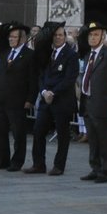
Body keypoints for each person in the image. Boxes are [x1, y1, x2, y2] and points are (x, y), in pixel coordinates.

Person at [26, 26, 78, 175]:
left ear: (65, 36)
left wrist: (53, 92)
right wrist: (43, 91)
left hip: (61, 99)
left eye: (61, 35)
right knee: (38, 130)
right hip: (45, 99)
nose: (58, 38)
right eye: (55, 35)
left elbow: (69, 78)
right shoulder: (47, 53)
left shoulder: (71, 55)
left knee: (62, 134)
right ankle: (38, 164)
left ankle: (59, 165)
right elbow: (41, 75)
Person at [79, 24, 107, 183]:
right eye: (90, 35)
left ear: (103, 37)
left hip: (103, 103)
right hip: (89, 102)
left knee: (104, 139)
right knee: (93, 138)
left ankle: (105, 170)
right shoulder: (88, 55)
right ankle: (95, 168)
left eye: (96, 35)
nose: (93, 38)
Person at [0, 23, 35, 171]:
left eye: (15, 37)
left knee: (18, 133)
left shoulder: (29, 55)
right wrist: (12, 25)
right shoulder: (5, 52)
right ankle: (2, 159)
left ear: (22, 38)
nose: (11, 39)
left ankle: (17, 161)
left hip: (18, 100)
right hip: (1, 98)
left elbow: (33, 79)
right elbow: (0, 37)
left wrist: (30, 99)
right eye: (11, 36)